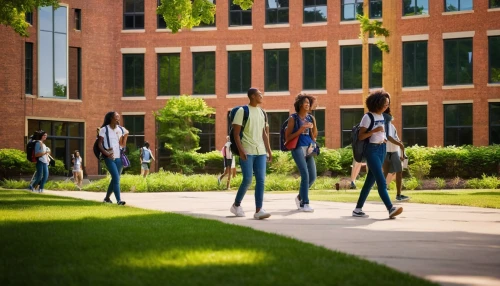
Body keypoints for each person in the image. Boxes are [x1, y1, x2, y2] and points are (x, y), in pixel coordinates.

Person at [352, 90, 403, 219]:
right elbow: (361, 135)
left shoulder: (383, 117)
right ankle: (390, 208)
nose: (387, 106)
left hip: (382, 149)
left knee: (370, 181)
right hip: (372, 150)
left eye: (388, 104)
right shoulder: (368, 117)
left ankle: (357, 209)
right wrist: (374, 131)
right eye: (385, 104)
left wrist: (384, 138)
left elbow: (384, 133)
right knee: (381, 180)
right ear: (377, 103)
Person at [230, 87, 272, 220]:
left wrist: (269, 151)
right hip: (247, 150)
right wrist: (241, 151)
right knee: (247, 179)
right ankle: (236, 205)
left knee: (261, 180)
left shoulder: (262, 112)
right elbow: (236, 134)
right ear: (252, 96)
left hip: (260, 151)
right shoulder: (243, 111)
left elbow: (264, 134)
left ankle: (259, 210)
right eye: (259, 94)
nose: (262, 96)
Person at [285, 94, 317, 212]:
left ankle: (299, 197)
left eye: (309, 103)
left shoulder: (311, 118)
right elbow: (288, 137)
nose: (308, 105)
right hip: (297, 148)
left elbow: (314, 136)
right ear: (300, 104)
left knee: (312, 177)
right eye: (305, 103)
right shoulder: (293, 118)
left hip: (309, 148)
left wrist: (312, 128)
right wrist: (301, 129)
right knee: (305, 175)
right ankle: (305, 203)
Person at [98, 111, 129, 205]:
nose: (118, 117)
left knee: (115, 178)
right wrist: (106, 153)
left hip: (119, 157)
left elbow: (122, 144)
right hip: (109, 157)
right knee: (116, 178)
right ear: (111, 118)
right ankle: (119, 200)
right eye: (116, 116)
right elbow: (99, 145)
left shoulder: (120, 129)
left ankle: (107, 198)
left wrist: (125, 135)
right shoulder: (104, 129)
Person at [382, 108, 409, 202]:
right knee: (385, 174)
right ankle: (383, 193)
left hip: (394, 152)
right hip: (387, 152)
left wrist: (402, 151)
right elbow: (388, 137)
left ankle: (398, 195)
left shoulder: (391, 126)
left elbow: (397, 139)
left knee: (399, 172)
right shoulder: (384, 125)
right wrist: (400, 144)